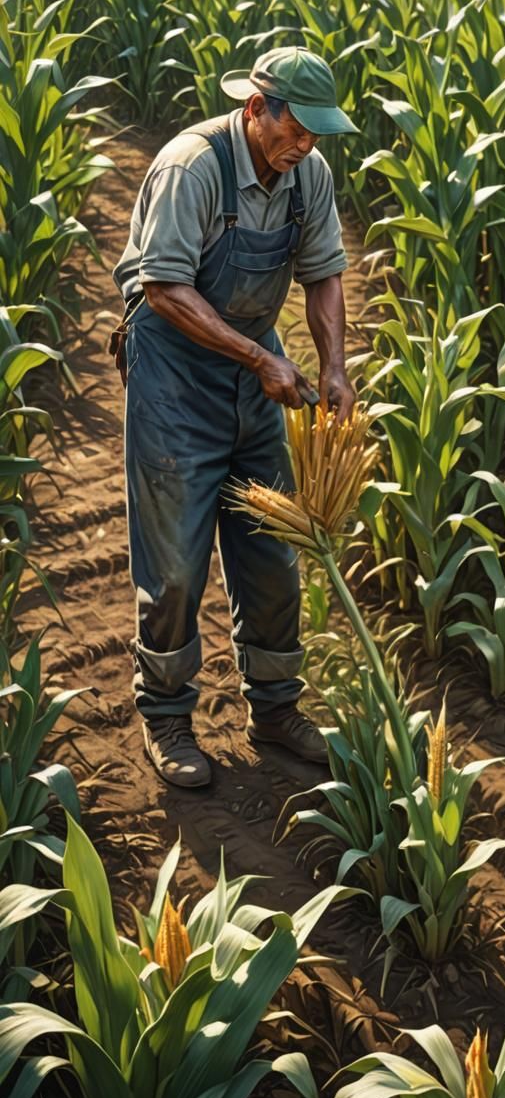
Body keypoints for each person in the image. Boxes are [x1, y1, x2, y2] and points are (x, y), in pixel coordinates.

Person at [113, 46, 357, 788]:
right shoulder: (192, 166)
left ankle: (276, 708)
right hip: (172, 375)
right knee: (179, 565)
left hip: (256, 375)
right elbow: (163, 289)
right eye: (296, 130)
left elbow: (322, 276)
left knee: (275, 552)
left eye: (317, 134)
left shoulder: (305, 175)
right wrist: (260, 359)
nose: (306, 146)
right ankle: (166, 716)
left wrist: (334, 367)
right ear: (258, 109)